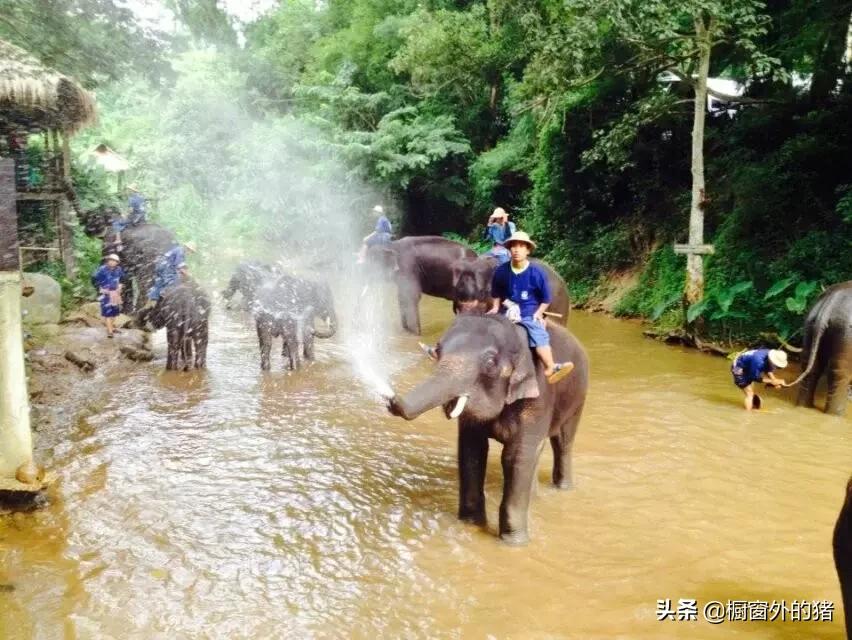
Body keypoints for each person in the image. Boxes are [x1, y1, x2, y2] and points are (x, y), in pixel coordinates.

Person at [489, 231, 573, 384]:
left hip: (528, 312)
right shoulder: (501, 271)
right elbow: (496, 292)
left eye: (521, 246)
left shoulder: (536, 273)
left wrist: (539, 313)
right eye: (513, 246)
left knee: (538, 333)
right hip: (506, 310)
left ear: (527, 250)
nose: (516, 250)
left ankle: (550, 366)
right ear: (509, 250)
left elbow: (546, 299)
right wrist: (495, 308)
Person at [144, 240, 197, 307]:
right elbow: (180, 266)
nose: (190, 253)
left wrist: (185, 270)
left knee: (158, 283)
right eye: (190, 251)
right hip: (167, 267)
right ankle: (164, 296)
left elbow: (181, 265)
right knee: (174, 282)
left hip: (160, 265)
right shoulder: (181, 252)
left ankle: (149, 304)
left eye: (191, 252)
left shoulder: (177, 249)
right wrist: (189, 275)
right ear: (187, 248)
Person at [92, 254, 125, 338]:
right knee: (108, 312)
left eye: (115, 261)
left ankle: (112, 327)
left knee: (115, 312)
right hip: (106, 293)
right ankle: (110, 331)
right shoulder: (102, 269)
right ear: (108, 260)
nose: (112, 262)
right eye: (111, 260)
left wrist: (120, 285)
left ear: (117, 262)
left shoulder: (118, 269)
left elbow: (123, 278)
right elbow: (93, 278)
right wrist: (99, 288)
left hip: (116, 293)